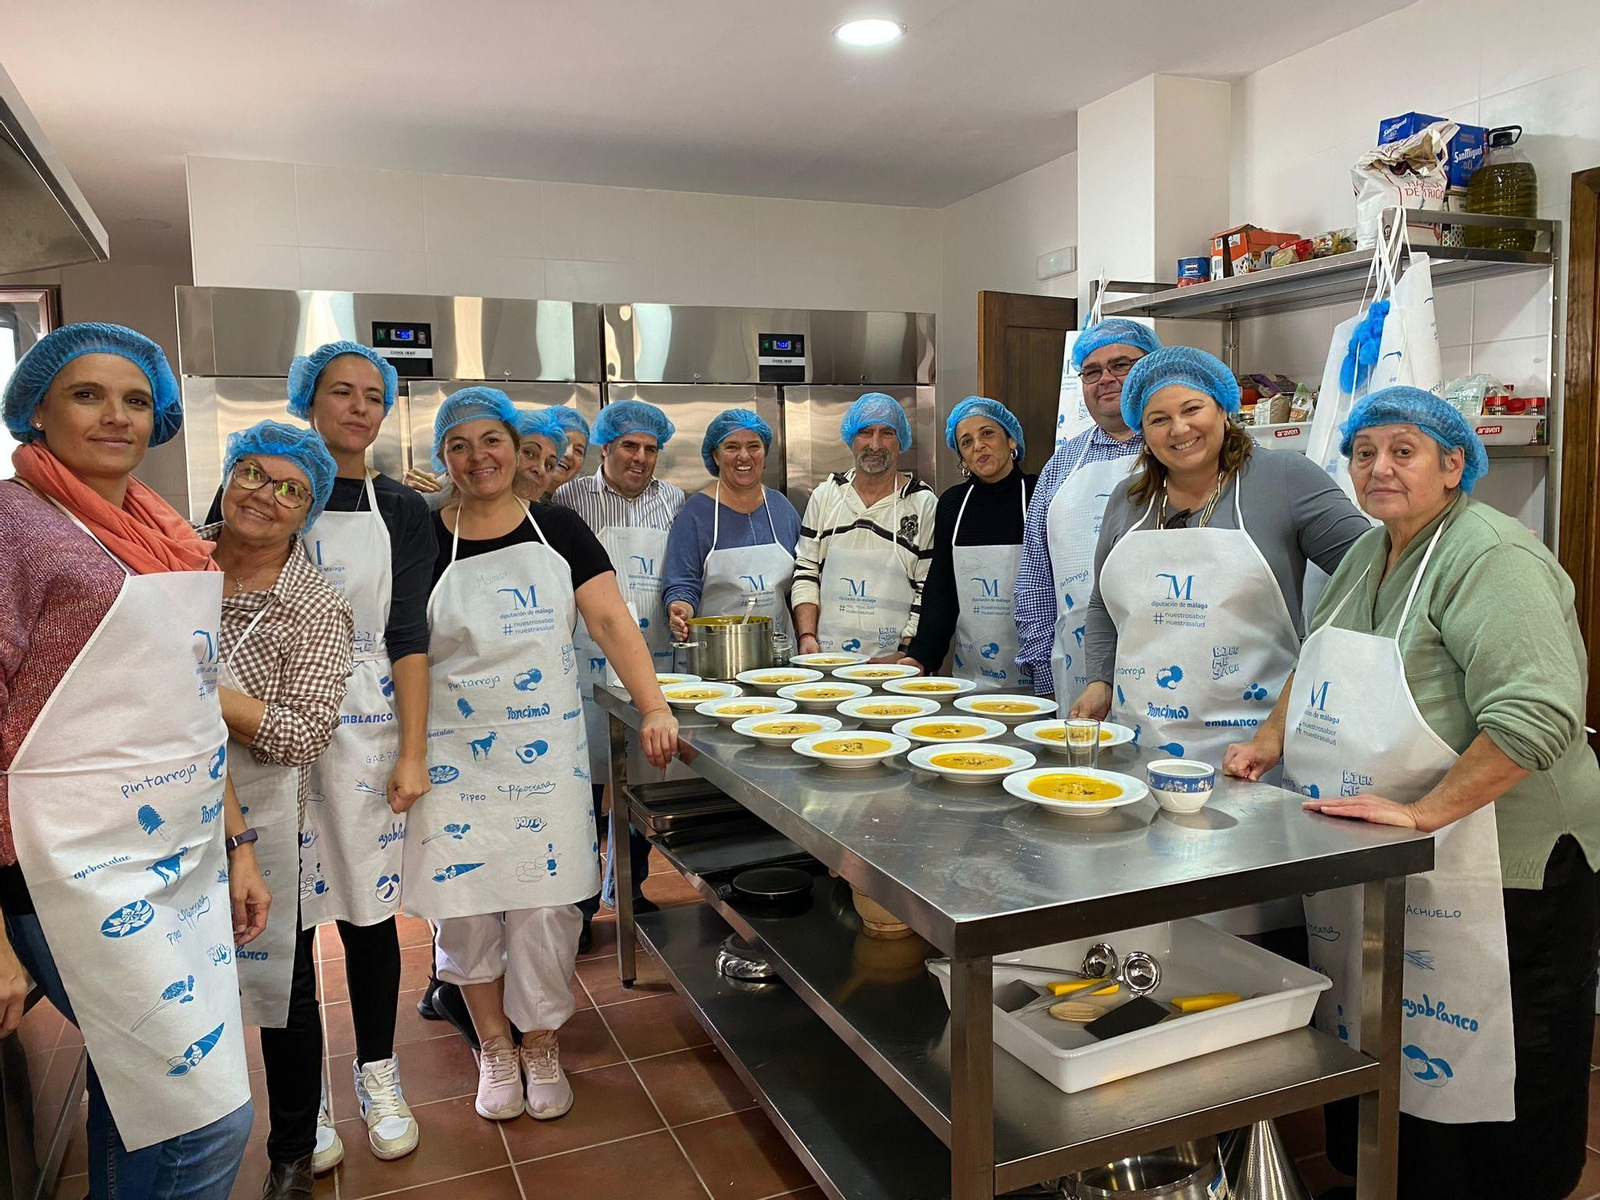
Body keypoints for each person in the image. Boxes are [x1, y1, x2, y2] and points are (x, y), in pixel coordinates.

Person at [1223, 386, 1600, 1200]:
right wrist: (1269, 740)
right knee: (1392, 1039)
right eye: (1364, 453)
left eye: (1403, 450)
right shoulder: (1371, 551)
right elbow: (1317, 657)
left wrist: (1427, 814)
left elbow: (1538, 715)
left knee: (1498, 1065)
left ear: (1454, 463)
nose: (1379, 468)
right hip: (1393, 853)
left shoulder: (1492, 557)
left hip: (1504, 864)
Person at [0, 323, 269, 1198]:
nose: (115, 415)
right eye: (87, 394)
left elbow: (185, 707)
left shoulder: (165, 533)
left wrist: (236, 843)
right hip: (59, 870)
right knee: (206, 1118)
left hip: (173, 852)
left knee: (143, 1094)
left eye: (136, 399)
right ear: (36, 408)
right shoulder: (13, 524)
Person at [407, 388, 679, 1124]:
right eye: (458, 445)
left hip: (545, 758)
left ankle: (540, 1042)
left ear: (515, 443)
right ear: (445, 459)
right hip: (454, 759)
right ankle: (493, 1045)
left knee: (549, 908)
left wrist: (653, 704)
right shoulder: (425, 540)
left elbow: (613, 622)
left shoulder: (558, 527)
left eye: (490, 440)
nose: (477, 457)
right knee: (464, 910)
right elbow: (405, 656)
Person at [1073, 346, 1370, 937]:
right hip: (1146, 741)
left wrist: (1318, 664)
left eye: (1193, 409)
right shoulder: (1129, 500)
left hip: (1252, 751)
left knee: (1250, 918)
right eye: (1159, 419)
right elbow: (1103, 603)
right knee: (1155, 913)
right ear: (1142, 430)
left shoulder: (1283, 479)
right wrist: (1099, 678)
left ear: (1225, 409)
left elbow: (1371, 569)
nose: (1179, 429)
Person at [280, 340, 436, 1165]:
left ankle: (378, 1070)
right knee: (291, 927)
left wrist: (412, 750)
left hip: (370, 724)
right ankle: (302, 1103)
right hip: (271, 730)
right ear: (311, 401)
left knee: (372, 920)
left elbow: (409, 634)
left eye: (372, 396)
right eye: (340, 392)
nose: (358, 408)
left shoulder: (401, 508)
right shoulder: (273, 485)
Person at [202, 421, 354, 1197]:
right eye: (254, 475)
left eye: (291, 490)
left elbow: (301, 733)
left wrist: (200, 691)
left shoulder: (317, 608)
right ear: (229, 477)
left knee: (282, 990)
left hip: (258, 819)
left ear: (308, 511)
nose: (266, 495)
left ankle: (294, 1150)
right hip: (142, 804)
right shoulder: (166, 562)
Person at [553, 399, 685, 948]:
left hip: (650, 657)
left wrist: (680, 603)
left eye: (650, 449)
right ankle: (578, 908)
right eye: (629, 446)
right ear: (605, 448)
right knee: (584, 789)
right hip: (582, 661)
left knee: (642, 783)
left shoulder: (674, 501)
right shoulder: (570, 498)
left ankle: (628, 887)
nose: (640, 457)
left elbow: (683, 570)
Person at [1014, 318, 1158, 700]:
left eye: (1121, 365)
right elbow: (1035, 577)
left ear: (1153, 368)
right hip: (1076, 669)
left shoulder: (1186, 450)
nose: (1105, 379)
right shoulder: (1061, 465)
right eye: (1091, 371)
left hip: (1173, 664)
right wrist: (1044, 674)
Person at [901, 397, 1037, 685]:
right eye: (966, 442)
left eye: (987, 433)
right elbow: (942, 587)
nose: (978, 446)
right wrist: (922, 655)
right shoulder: (953, 504)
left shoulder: (1039, 493)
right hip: (972, 676)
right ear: (962, 458)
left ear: (1011, 440)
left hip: (1038, 675)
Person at [791, 393, 936, 660]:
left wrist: (906, 651)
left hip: (893, 662)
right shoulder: (826, 496)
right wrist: (807, 635)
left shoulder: (923, 503)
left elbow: (927, 587)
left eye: (887, 433)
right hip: (826, 658)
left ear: (901, 441)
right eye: (865, 432)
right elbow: (806, 571)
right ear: (851, 440)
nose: (875, 444)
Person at [663, 409, 800, 643]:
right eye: (732, 447)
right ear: (715, 455)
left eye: (754, 446)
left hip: (779, 655)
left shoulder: (781, 508)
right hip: (716, 654)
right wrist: (680, 609)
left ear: (765, 454)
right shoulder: (696, 513)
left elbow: (801, 580)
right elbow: (683, 583)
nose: (744, 456)